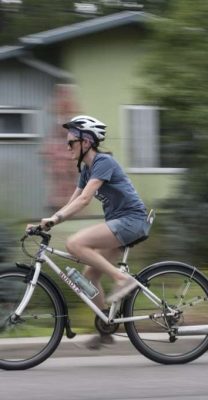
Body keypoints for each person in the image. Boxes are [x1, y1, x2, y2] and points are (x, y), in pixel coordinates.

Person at [31, 115, 148, 349]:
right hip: (119, 223)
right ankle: (106, 326)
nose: (67, 147)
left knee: (75, 243)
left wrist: (55, 220)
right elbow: (71, 203)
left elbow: (85, 200)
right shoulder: (86, 171)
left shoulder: (104, 162)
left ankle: (122, 279)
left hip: (131, 220)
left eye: (71, 142)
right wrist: (46, 222)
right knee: (89, 276)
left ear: (86, 142)